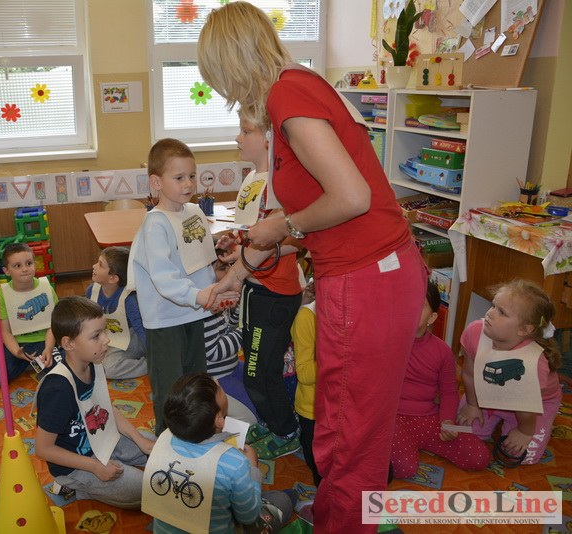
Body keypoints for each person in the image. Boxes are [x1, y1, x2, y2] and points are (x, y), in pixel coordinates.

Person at [198, 4, 427, 532]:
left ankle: (342, 520)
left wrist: (287, 226)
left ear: (233, 61)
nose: (225, 92)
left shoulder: (288, 95)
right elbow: (299, 214)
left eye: (219, 78)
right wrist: (237, 274)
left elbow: (351, 197)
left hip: (366, 279)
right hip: (375, 273)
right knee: (348, 422)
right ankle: (339, 512)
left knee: (347, 432)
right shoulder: (298, 90)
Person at [129, 138, 237, 434]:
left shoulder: (194, 212)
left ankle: (194, 434)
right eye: (179, 178)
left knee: (196, 384)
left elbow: (194, 256)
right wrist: (200, 296)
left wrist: (216, 250)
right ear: (156, 182)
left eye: (192, 175)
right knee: (169, 388)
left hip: (195, 313)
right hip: (166, 321)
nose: (188, 183)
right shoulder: (155, 223)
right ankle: (166, 439)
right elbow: (164, 278)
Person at [228, 106, 304, 460]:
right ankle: (273, 421)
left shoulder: (282, 184)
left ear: (269, 138)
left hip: (275, 293)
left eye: (246, 131)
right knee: (255, 367)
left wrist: (249, 257)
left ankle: (286, 430)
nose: (238, 138)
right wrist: (235, 248)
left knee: (260, 372)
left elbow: (297, 240)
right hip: (255, 289)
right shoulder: (253, 180)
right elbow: (251, 234)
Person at [34, 296, 155, 509]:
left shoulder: (94, 363)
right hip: (76, 465)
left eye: (104, 332)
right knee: (147, 490)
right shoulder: (58, 390)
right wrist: (95, 466)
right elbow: (43, 449)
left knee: (156, 446)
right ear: (68, 343)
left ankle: (113, 467)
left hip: (102, 439)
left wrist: (138, 439)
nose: (106, 340)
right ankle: (75, 487)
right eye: (96, 336)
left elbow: (106, 407)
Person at [144, 372, 295, 534]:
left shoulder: (164, 438)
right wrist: (253, 468)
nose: (218, 382)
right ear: (219, 420)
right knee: (285, 498)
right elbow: (248, 517)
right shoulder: (235, 463)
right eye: (219, 389)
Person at [391, 282, 490, 479]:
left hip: (431, 417)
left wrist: (447, 421)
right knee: (405, 469)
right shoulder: (387, 342)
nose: (410, 307)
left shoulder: (442, 351)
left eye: (420, 305)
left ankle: (411, 444)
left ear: (432, 318)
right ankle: (397, 446)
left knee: (480, 457)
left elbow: (449, 392)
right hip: (394, 419)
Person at [457, 279, 563, 466]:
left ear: (525, 329)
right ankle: (495, 417)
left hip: (532, 406)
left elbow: (526, 406)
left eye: (502, 312)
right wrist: (472, 405)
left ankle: (536, 423)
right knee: (463, 434)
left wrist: (525, 431)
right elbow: (469, 373)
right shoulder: (474, 332)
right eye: (493, 306)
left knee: (518, 456)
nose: (489, 313)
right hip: (489, 390)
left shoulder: (535, 363)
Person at [0, 243, 57, 384]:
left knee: (60, 371)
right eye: (17, 266)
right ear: (6, 271)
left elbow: (54, 325)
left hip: (43, 341)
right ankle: (26, 361)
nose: (25, 269)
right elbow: (5, 331)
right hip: (17, 343)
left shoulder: (47, 288)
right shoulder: (2, 294)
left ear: (35, 264)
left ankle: (35, 361)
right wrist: (16, 352)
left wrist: (49, 348)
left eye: (29, 263)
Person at [207, 250, 257, 424]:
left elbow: (230, 325)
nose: (230, 272)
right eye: (222, 268)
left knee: (261, 389)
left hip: (232, 366)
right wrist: (246, 331)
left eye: (231, 266)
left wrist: (238, 300)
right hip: (217, 376)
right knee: (252, 418)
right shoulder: (206, 308)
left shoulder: (220, 295)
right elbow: (213, 351)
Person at [86, 246, 147, 379]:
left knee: (108, 369)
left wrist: (154, 354)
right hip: (107, 337)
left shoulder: (129, 299)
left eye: (100, 265)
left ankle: (150, 364)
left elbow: (141, 331)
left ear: (113, 278)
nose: (94, 266)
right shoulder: (91, 291)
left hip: (131, 338)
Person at [292, 279, 320, 486]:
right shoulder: (307, 317)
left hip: (345, 407)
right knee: (324, 473)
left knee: (385, 474)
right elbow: (304, 374)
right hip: (313, 410)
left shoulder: (356, 314)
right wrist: (340, 361)